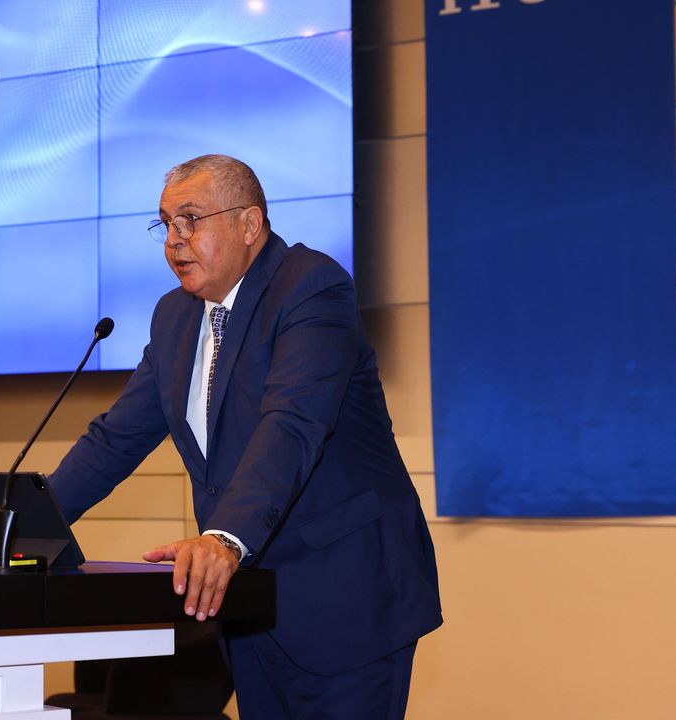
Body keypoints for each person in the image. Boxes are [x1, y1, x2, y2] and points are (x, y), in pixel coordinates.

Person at [47, 154, 443, 718]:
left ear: (250, 224)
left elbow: (292, 422)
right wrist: (22, 525)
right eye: (166, 224)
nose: (174, 240)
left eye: (191, 220)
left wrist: (224, 538)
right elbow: (116, 439)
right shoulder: (175, 316)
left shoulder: (310, 287)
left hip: (345, 598)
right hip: (249, 610)